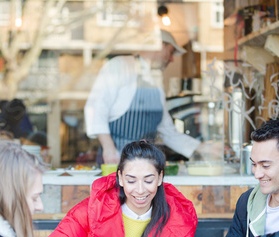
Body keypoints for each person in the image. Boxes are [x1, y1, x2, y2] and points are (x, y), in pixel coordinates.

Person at [37, 140, 198, 237]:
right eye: (131, 180)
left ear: (160, 178)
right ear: (120, 178)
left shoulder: (177, 221)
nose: (140, 190)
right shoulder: (90, 210)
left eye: (148, 180)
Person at [85, 30, 212, 164]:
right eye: (171, 52)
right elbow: (96, 107)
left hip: (146, 167)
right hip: (115, 161)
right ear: (160, 45)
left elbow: (168, 132)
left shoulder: (156, 83)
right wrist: (108, 148)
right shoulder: (119, 65)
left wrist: (203, 148)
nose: (172, 59)